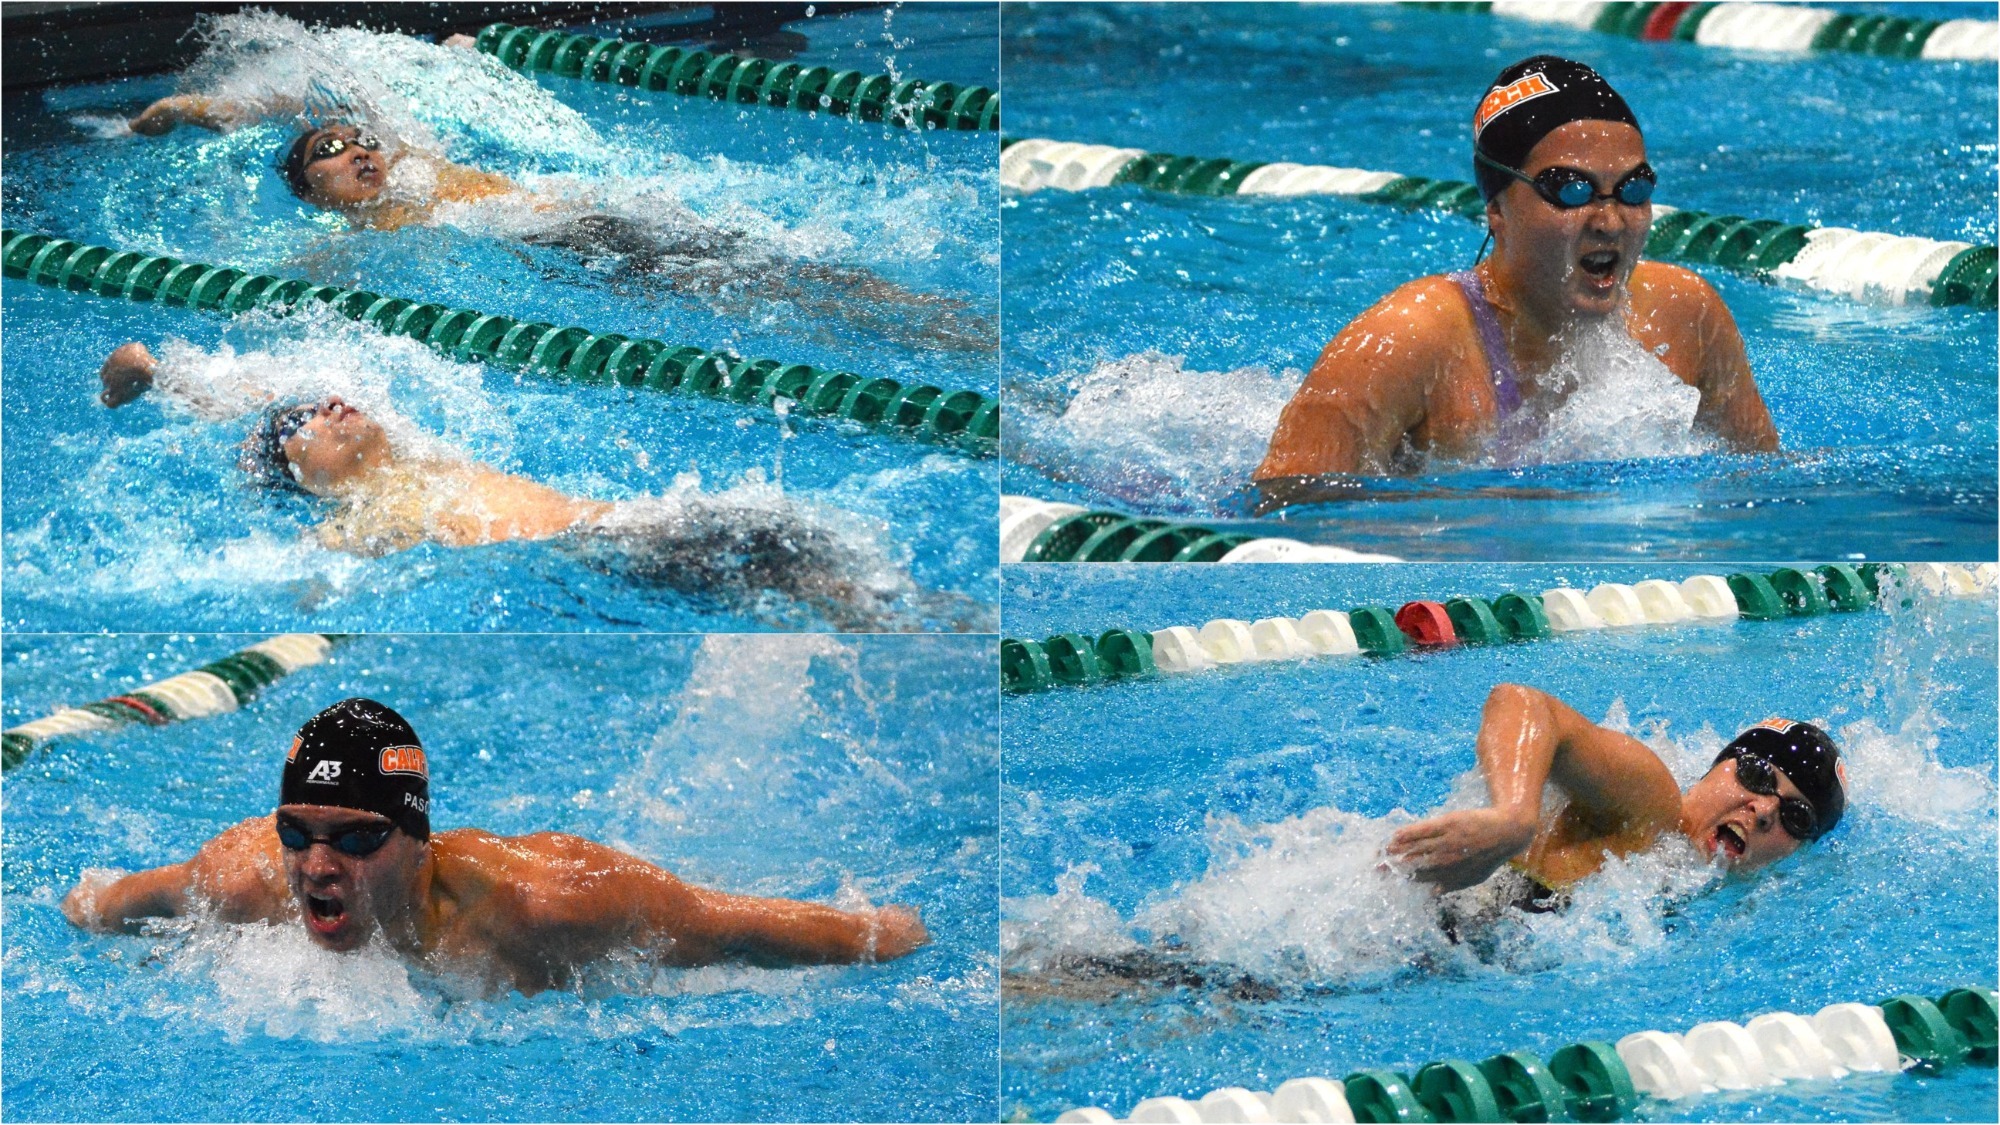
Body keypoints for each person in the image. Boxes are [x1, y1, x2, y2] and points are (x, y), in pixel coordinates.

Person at [61, 698, 928, 995]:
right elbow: (106, 902)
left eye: (355, 838)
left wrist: (878, 937)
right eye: (297, 832)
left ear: (415, 837)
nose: (317, 865)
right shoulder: (246, 879)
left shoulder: (549, 905)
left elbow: (726, 923)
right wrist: (82, 906)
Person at [99, 340, 907, 630]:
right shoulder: (353, 517)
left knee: (857, 594)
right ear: (303, 480)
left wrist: (164, 371)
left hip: (647, 525)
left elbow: (257, 387)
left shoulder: (419, 453)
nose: (332, 403)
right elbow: (296, 581)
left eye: (331, 398)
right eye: (306, 419)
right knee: (851, 605)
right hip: (616, 558)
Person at [1256, 56, 1778, 485]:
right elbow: (1282, 515)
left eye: (1633, 188)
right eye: (1568, 189)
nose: (1610, 221)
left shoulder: (1684, 313)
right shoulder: (1409, 342)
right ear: (1497, 210)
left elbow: (1762, 487)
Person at [128, 95, 994, 352]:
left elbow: (327, 88)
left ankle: (960, 331)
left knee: (807, 276)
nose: (360, 151)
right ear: (310, 188)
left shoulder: (419, 164)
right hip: (578, 247)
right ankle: (948, 340)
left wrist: (205, 107)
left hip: (614, 215)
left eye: (363, 143)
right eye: (331, 151)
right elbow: (291, 294)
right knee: (781, 296)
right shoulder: (362, 234)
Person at [1387, 683, 1847, 910]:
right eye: (1756, 776)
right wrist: (1512, 818)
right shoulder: (1651, 806)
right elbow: (1524, 702)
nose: (1765, 810)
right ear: (1717, 765)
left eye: (1796, 817)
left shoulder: (1677, 883)